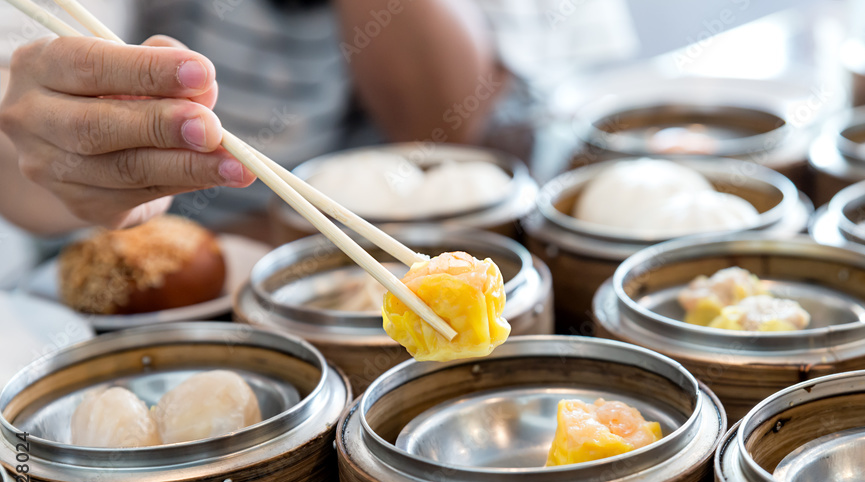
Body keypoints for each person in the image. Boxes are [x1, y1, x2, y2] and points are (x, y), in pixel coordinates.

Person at [0, 0, 502, 235]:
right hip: (134, 255)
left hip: (372, 243)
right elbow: (21, 125)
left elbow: (450, 133)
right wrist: (64, 153)